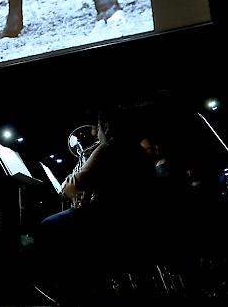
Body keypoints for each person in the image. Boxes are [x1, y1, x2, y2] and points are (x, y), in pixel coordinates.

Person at [37, 106, 154, 303]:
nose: (96, 133)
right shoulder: (141, 152)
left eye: (97, 128)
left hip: (109, 225)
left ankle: (67, 290)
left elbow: (72, 186)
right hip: (136, 225)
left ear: (106, 128)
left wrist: (73, 177)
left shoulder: (108, 149)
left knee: (48, 225)